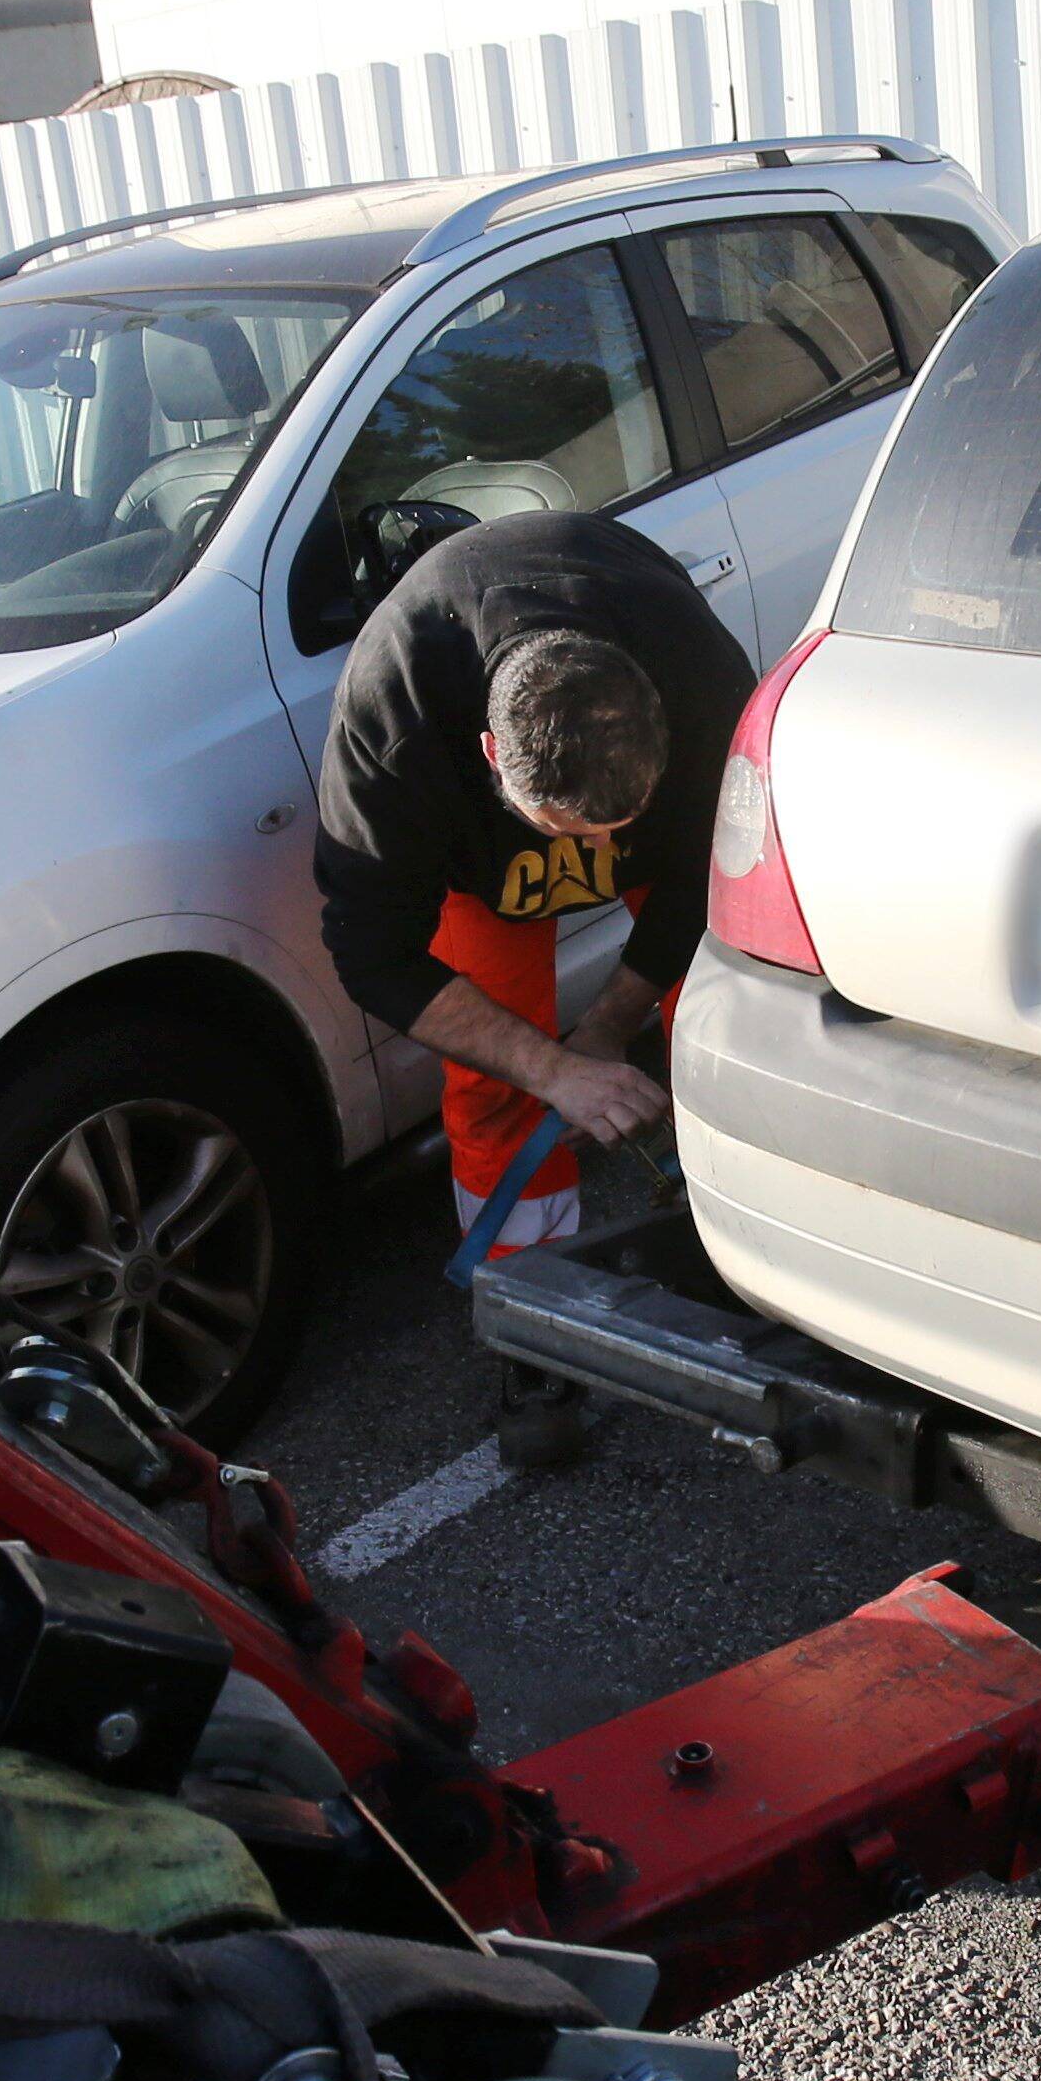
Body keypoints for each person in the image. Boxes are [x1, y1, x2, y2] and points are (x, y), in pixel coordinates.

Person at [312, 511, 754, 1460]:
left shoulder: (705, 683)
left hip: (665, 809)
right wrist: (552, 1067)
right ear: (488, 757)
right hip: (476, 854)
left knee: (728, 1017)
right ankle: (534, 1314)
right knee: (496, 1080)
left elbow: (698, 875)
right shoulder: (394, 721)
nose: (593, 865)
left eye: (612, 834)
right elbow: (373, 952)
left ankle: (747, 1244)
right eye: (571, 837)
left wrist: (610, 1023)